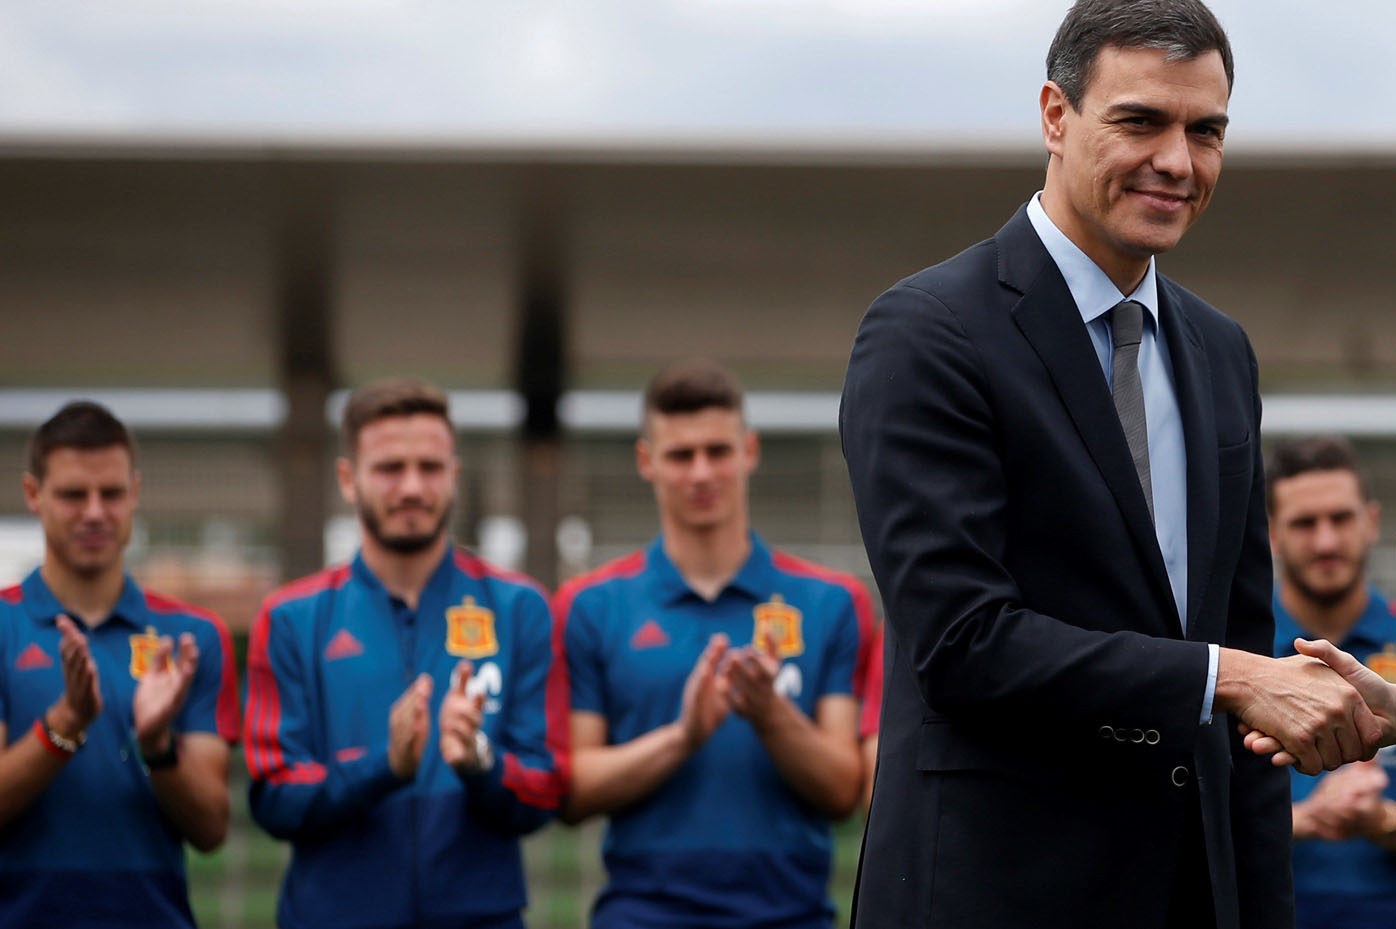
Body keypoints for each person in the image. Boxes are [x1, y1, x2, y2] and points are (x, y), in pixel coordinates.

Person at [840, 0, 1391, 929]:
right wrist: (1230, 676)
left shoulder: (1220, 352)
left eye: (1206, 131)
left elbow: (1246, 664)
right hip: (995, 894)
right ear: (1055, 115)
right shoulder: (929, 332)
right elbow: (961, 641)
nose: (1177, 162)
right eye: (1141, 122)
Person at [558, 361, 881, 928]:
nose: (701, 472)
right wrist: (683, 738)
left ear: (749, 451)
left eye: (718, 451)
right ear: (646, 462)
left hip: (791, 916)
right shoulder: (591, 607)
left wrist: (769, 714)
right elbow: (572, 789)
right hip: (640, 916)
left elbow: (844, 790)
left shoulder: (832, 602)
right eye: (681, 455)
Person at [243, 378, 564, 929]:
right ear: (348, 479)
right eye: (390, 467)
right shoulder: (291, 618)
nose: (412, 486)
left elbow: (544, 791)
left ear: (454, 475)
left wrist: (480, 763)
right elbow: (274, 799)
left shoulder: (519, 608)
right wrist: (382, 769)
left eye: (431, 467)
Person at [0, 401, 234, 926]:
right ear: (33, 495)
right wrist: (64, 725)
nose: (94, 512)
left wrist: (157, 747)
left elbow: (212, 829)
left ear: (135, 493)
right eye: (72, 494)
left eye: (111, 493)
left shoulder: (194, 636)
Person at [1266, 436, 1396, 929]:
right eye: (1303, 523)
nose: (1325, 541)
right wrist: (1303, 822)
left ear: (1371, 521)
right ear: (1271, 533)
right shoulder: (1233, 657)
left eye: (1339, 518)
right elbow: (1177, 834)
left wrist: (1382, 821)